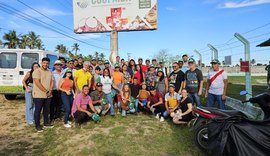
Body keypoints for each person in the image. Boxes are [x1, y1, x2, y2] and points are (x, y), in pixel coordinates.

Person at [32, 57, 54, 132]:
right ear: (41, 63)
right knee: (38, 111)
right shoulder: (37, 71)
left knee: (46, 110)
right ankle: (37, 125)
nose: (45, 64)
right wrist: (46, 91)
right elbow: (37, 82)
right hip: (39, 95)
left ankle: (46, 123)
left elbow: (52, 81)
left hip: (48, 95)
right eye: (44, 63)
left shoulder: (50, 72)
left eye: (47, 63)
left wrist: (50, 90)